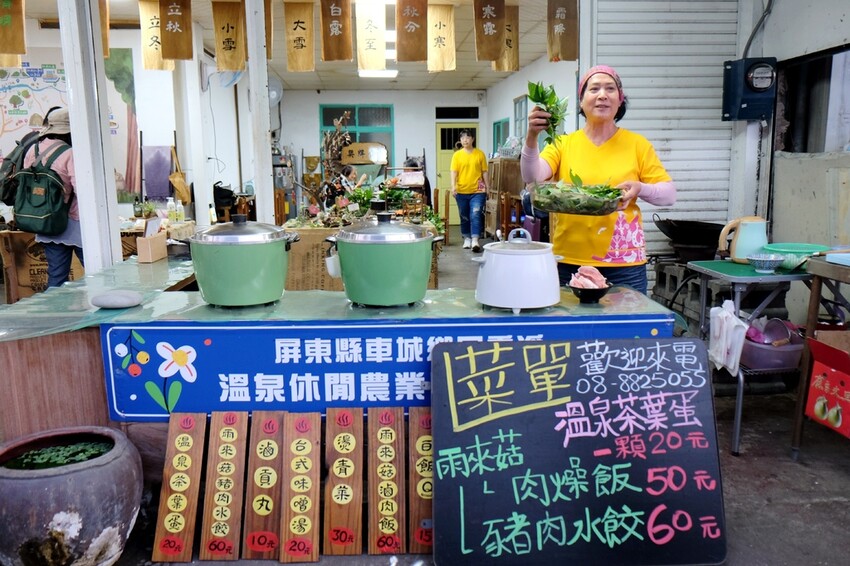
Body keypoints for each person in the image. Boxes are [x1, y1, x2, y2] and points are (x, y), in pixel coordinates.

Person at [520, 65, 676, 294]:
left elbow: (669, 195)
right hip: (570, 258)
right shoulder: (563, 144)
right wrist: (532, 137)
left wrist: (640, 188)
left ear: (620, 99)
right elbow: (531, 176)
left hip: (624, 262)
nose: (602, 95)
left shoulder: (637, 145)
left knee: (626, 328)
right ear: (581, 101)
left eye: (610, 89)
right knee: (571, 327)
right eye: (594, 89)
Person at [22, 107, 83, 288]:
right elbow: (81, 189)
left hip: (45, 221)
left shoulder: (33, 150)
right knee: (97, 273)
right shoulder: (70, 153)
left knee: (56, 278)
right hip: (74, 220)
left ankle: (54, 315)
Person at [450, 129, 489, 253]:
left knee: (476, 214)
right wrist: (453, 186)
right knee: (464, 215)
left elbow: (485, 172)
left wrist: (488, 187)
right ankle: (466, 238)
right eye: (462, 138)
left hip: (478, 191)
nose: (465, 140)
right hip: (461, 191)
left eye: (468, 137)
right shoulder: (457, 155)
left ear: (472, 139)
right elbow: (454, 172)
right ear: (460, 140)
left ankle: (475, 240)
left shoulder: (479, 154)